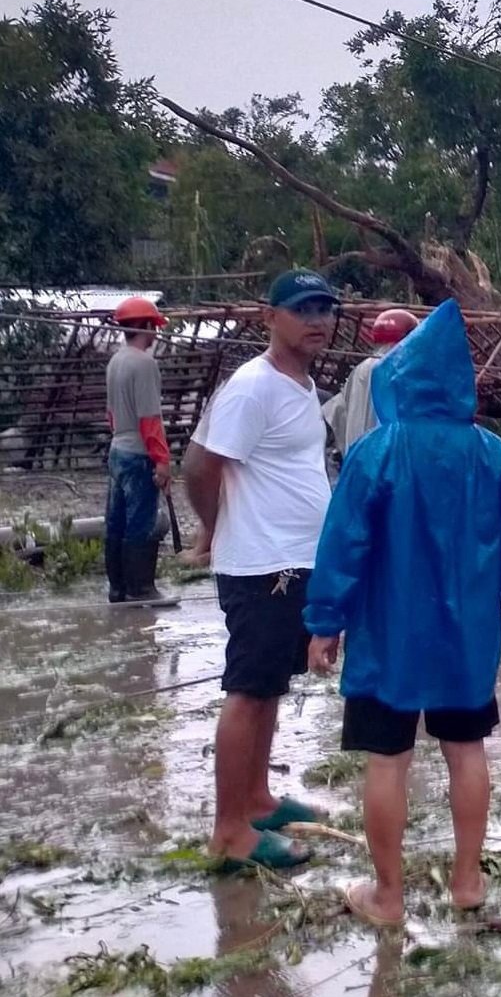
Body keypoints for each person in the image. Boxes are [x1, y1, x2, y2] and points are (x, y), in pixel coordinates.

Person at [304, 299, 501, 927]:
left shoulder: (375, 453)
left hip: (387, 639)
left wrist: (325, 620)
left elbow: (343, 542)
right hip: (464, 641)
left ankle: (388, 898)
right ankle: (467, 883)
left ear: (403, 377)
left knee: (387, 761)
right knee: (466, 752)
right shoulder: (495, 456)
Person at [183, 269, 342, 871]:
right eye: (303, 308)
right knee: (248, 691)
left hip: (294, 561)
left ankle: (256, 799)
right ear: (269, 317)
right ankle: (228, 833)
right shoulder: (253, 387)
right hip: (261, 567)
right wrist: (218, 527)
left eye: (326, 308)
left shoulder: (299, 385)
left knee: (272, 683)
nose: (318, 319)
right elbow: (199, 465)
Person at [103, 296, 173, 605]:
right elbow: (150, 420)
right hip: (138, 453)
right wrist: (162, 461)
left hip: (118, 448)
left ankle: (118, 589)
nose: (156, 333)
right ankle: (141, 588)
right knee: (140, 523)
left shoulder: (115, 361)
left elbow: (111, 416)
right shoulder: (145, 364)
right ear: (145, 326)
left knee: (115, 521)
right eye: (154, 327)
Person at [323, 308, 418, 458]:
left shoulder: (362, 368)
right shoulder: (403, 368)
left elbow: (338, 412)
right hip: (388, 458)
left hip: (358, 457)